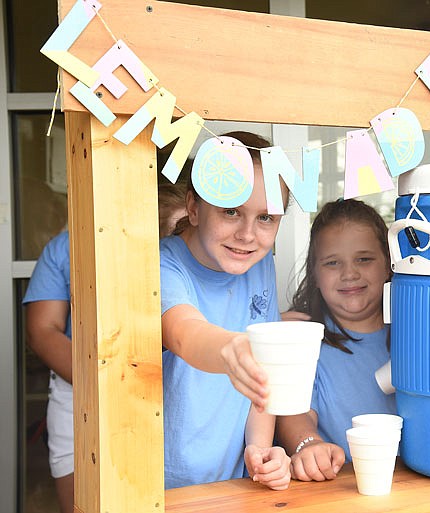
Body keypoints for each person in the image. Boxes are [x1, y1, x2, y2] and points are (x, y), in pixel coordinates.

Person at [22, 184, 187, 513]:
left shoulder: (189, 249)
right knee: (86, 498)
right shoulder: (67, 249)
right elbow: (42, 330)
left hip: (174, 383)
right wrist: (104, 381)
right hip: (82, 388)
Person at [159, 131, 291, 490]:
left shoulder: (256, 263)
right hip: (162, 485)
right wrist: (232, 348)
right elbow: (185, 333)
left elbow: (261, 381)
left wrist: (261, 450)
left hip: (232, 486)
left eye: (266, 218)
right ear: (194, 207)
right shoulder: (164, 265)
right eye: (231, 211)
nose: (248, 234)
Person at [276, 198, 396, 482]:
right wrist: (308, 444)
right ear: (315, 274)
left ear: (388, 266)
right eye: (332, 263)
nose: (349, 274)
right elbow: (295, 413)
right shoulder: (306, 340)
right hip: (341, 489)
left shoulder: (419, 333)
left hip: (419, 487)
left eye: (364, 259)